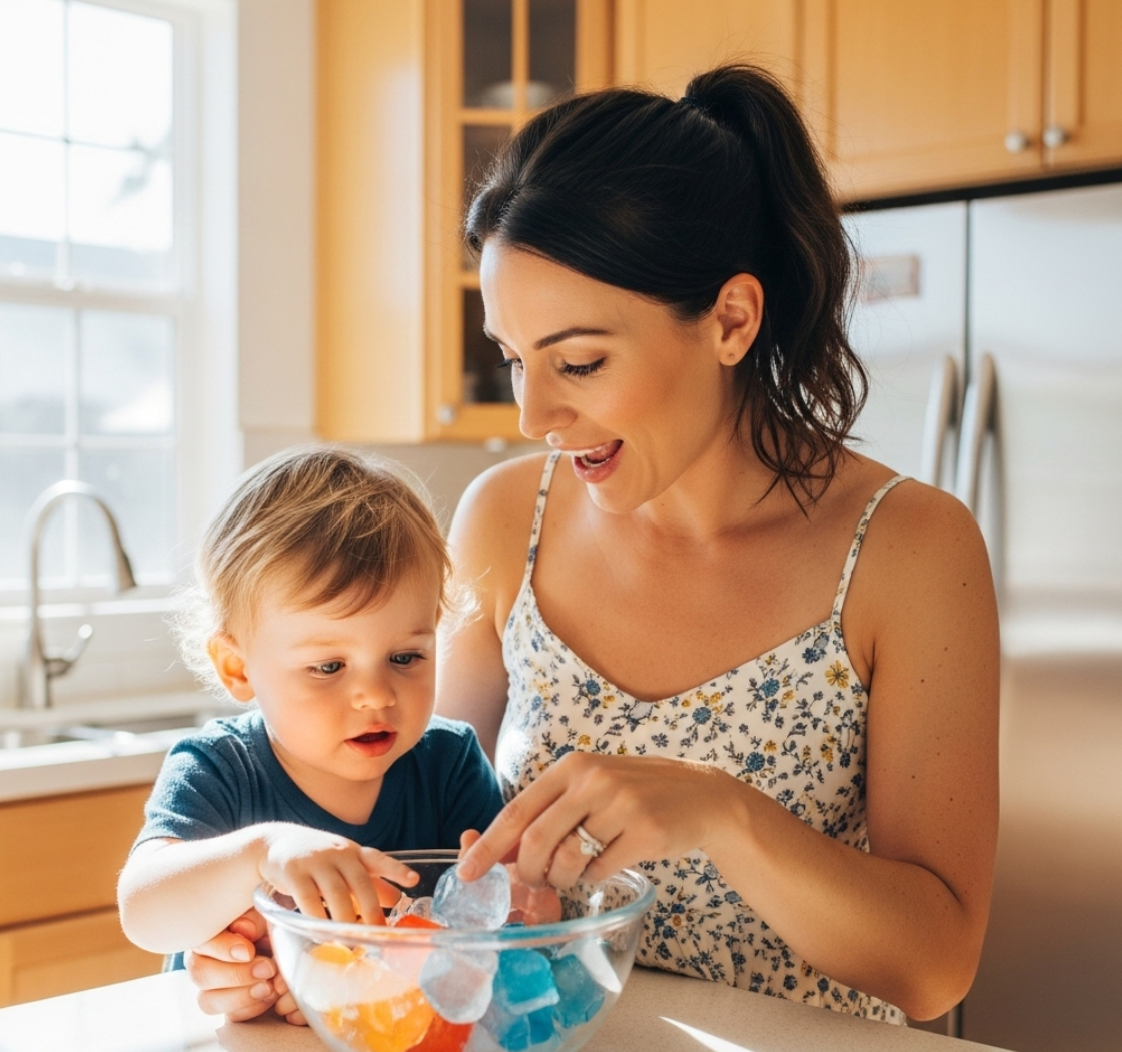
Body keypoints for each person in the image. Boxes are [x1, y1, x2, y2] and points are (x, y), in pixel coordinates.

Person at [187, 63, 999, 1026]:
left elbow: (936, 966)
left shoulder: (908, 551)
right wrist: (278, 943)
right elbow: (422, 849)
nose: (534, 412)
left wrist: (721, 812)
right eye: (514, 360)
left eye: (579, 361)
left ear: (731, 319)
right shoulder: (502, 523)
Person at [117, 447, 504, 1022]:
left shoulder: (450, 764)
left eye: (405, 656)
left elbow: (506, 926)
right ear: (238, 668)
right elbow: (143, 911)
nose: (376, 695)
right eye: (328, 667)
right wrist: (261, 851)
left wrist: (352, 981)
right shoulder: (219, 767)